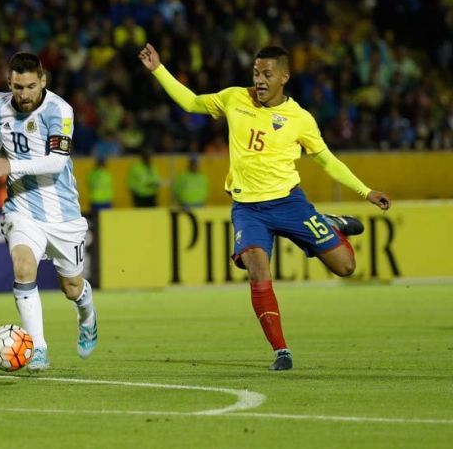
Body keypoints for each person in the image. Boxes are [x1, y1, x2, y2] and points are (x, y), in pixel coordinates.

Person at [140, 43, 391, 371]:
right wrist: (159, 69)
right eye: (256, 73)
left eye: (267, 74)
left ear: (284, 77)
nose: (259, 79)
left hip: (291, 204)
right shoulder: (234, 98)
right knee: (257, 267)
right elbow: (190, 103)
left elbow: (326, 160)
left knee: (346, 267)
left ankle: (328, 224)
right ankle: (280, 351)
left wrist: (365, 191)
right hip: (248, 208)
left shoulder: (300, 119)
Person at [0, 52, 97, 372]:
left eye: (30, 86)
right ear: (9, 83)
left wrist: (7, 165)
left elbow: (56, 162)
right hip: (21, 207)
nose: (24, 94)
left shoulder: (60, 111)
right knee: (23, 267)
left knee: (72, 288)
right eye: (17, 87)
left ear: (43, 81)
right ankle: (38, 347)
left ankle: (87, 314)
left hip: (63, 212)